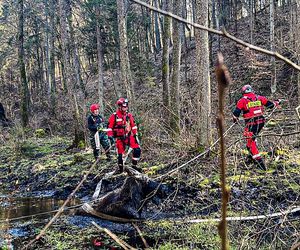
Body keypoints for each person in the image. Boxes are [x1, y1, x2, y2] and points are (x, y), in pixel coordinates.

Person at [232, 85, 280, 170]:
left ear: (243, 92)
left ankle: (260, 165)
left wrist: (235, 120)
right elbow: (270, 105)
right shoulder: (259, 98)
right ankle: (251, 159)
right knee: (251, 140)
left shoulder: (242, 100)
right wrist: (277, 102)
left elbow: (236, 113)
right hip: (261, 122)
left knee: (250, 143)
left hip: (251, 124)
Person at [107, 98, 141, 173]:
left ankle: (134, 166)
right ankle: (121, 170)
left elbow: (133, 126)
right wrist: (110, 136)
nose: (125, 108)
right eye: (123, 106)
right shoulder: (114, 116)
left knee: (137, 149)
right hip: (119, 138)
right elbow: (109, 127)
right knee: (120, 157)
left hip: (128, 137)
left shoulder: (129, 115)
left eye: (126, 106)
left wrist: (135, 135)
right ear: (119, 107)